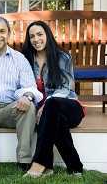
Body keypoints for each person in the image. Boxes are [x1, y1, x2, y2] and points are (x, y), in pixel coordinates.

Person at [0, 16, 43, 171]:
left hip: (11, 110)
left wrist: (27, 97)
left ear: (8, 33)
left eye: (2, 31)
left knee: (29, 106)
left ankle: (24, 160)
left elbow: (30, 87)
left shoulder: (19, 59)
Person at [22, 21, 85, 178]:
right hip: (48, 115)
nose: (36, 39)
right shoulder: (26, 59)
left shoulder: (62, 56)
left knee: (52, 105)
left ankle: (39, 163)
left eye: (39, 34)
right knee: (56, 121)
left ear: (47, 35)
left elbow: (65, 88)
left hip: (69, 107)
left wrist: (45, 106)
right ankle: (75, 167)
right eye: (32, 36)